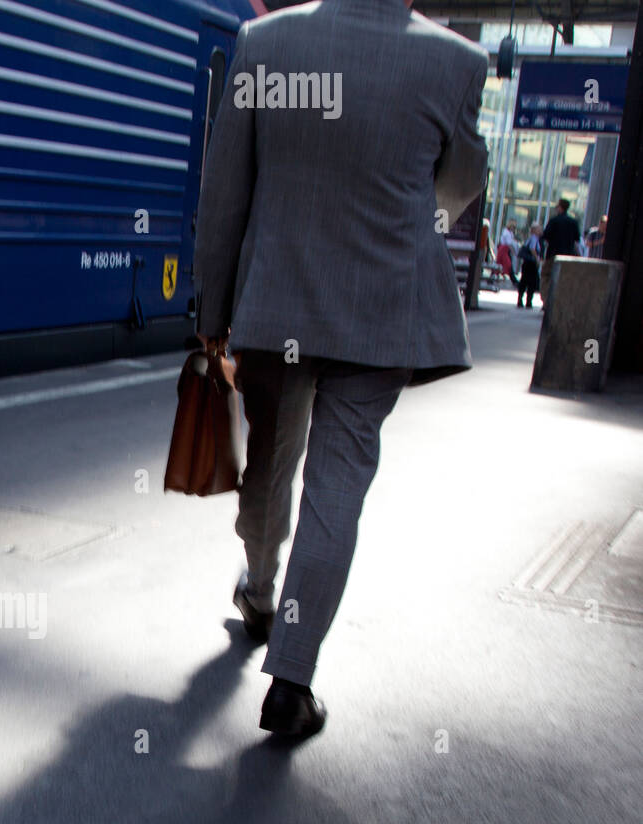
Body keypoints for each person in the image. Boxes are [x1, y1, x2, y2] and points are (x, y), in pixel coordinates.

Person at [193, 0, 487, 738]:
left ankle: (258, 590)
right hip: (380, 310)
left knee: (269, 463)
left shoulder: (266, 41)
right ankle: (291, 681)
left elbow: (224, 189)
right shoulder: (457, 62)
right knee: (337, 492)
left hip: (276, 303)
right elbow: (455, 190)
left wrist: (210, 313)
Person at [540, 198, 581, 291]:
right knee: (564, 279)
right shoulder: (573, 222)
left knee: (547, 277)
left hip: (553, 254)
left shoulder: (554, 220)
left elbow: (545, 236)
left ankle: (547, 300)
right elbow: (577, 238)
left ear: (560, 207)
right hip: (567, 255)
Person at [517, 225, 542, 307]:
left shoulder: (531, 238)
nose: (541, 231)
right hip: (530, 263)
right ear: (534, 230)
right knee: (531, 282)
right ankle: (528, 301)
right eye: (539, 229)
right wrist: (537, 259)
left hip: (527, 263)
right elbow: (532, 249)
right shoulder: (534, 238)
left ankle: (521, 298)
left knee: (524, 280)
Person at [499, 219, 520, 287]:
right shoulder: (507, 233)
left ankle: (513, 279)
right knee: (507, 264)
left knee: (505, 264)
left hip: (505, 250)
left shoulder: (509, 233)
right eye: (513, 227)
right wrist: (513, 251)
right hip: (504, 250)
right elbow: (509, 243)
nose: (514, 228)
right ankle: (513, 279)